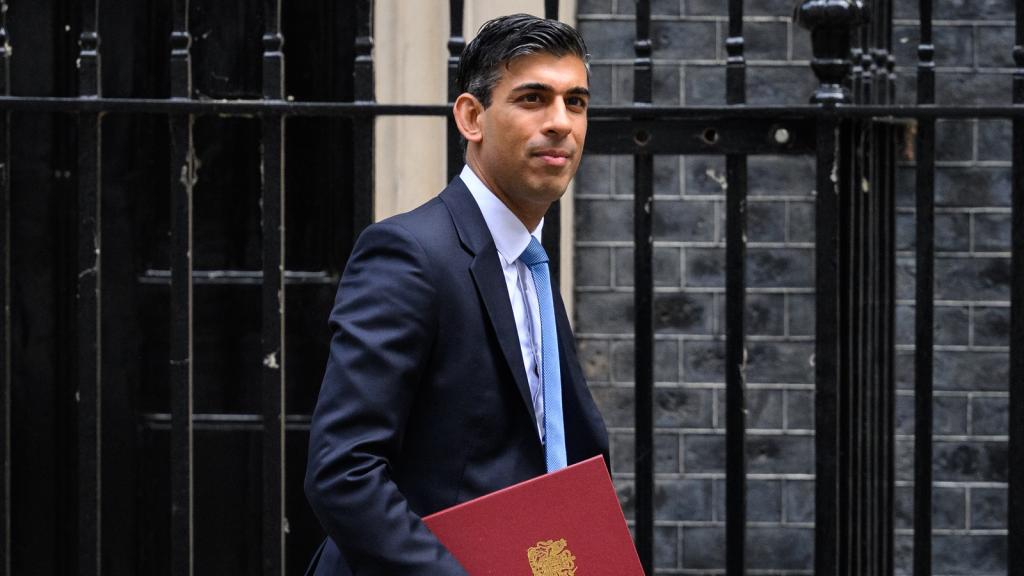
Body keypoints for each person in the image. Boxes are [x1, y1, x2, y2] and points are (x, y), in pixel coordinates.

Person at [304, 14, 608, 575]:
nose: (561, 122)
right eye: (533, 98)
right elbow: (343, 471)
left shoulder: (530, 264)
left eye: (577, 102)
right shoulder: (408, 254)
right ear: (472, 117)